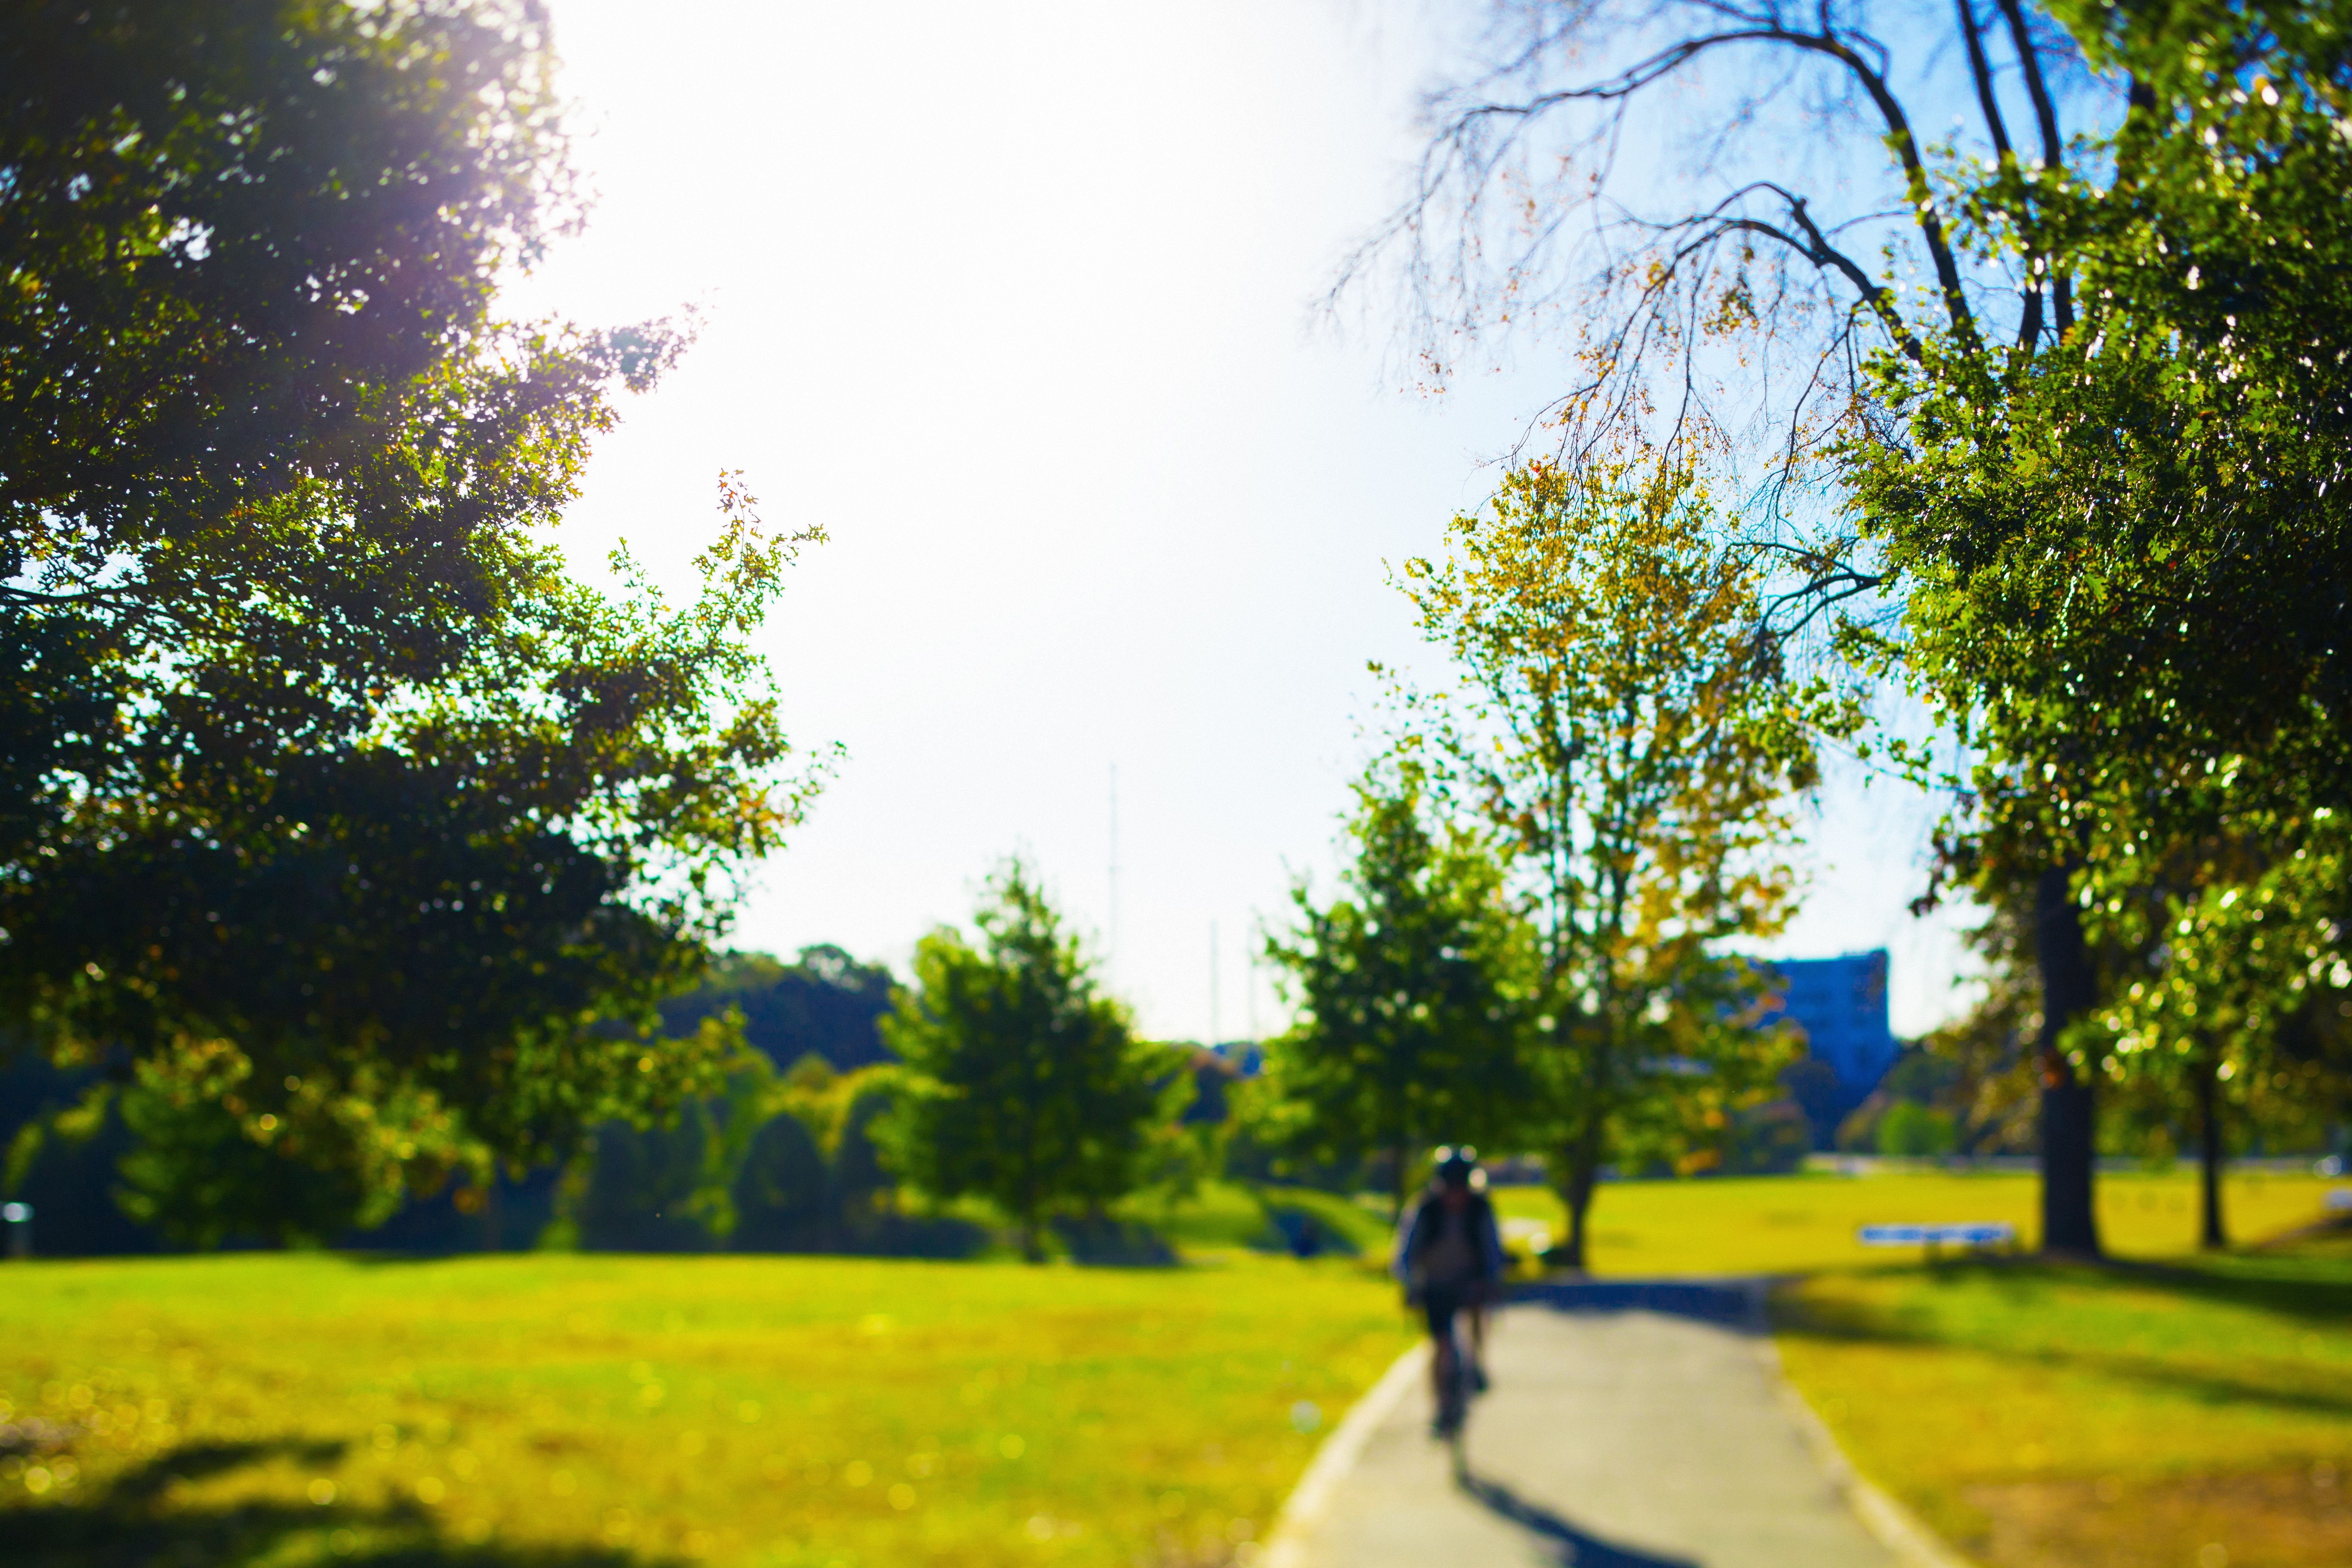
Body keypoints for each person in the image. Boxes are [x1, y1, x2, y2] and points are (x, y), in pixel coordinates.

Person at [1392, 1145, 1505, 1435]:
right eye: (1450, 1187)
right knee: (1440, 1345)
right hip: (1435, 1284)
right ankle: (1442, 1407)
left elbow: (1492, 1249)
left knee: (1478, 1313)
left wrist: (1492, 1281)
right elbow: (1405, 1253)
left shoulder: (1480, 1208)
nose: (1456, 1195)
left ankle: (1476, 1361)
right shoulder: (1425, 1209)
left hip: (1470, 1280)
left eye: (1461, 1188)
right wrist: (1410, 1285)